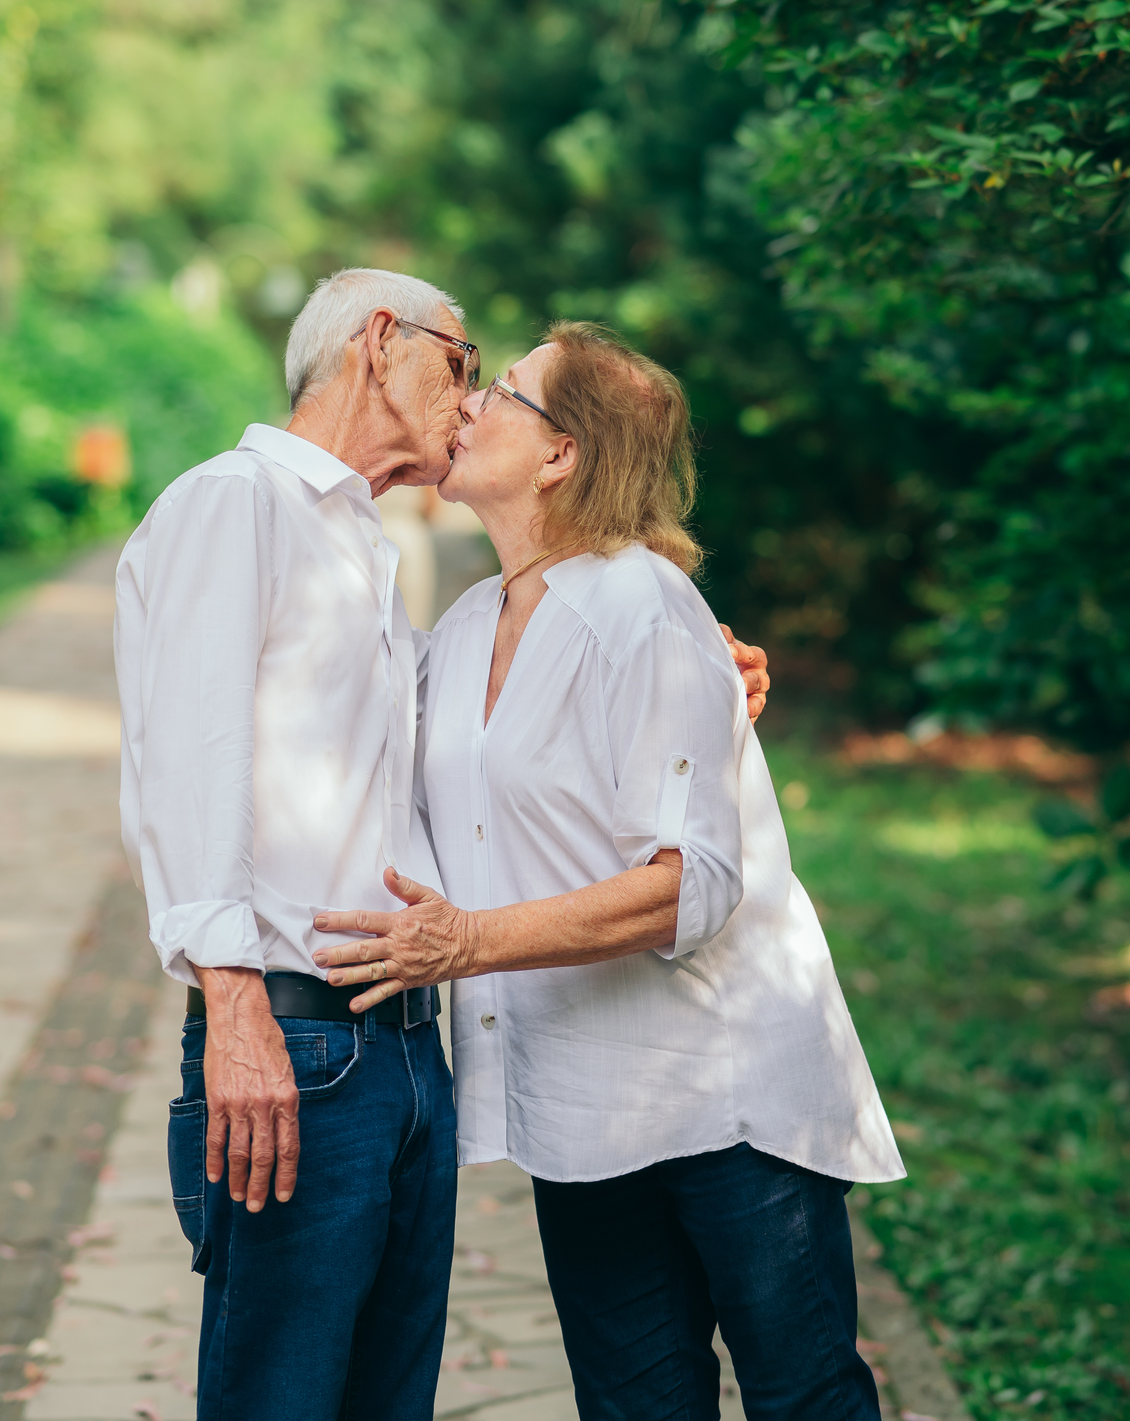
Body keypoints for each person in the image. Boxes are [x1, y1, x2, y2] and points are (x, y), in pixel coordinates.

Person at [116, 272, 768, 1421]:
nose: (469, 400)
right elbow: (189, 759)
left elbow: (472, 740)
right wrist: (235, 1007)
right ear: (380, 341)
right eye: (462, 364)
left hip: (410, 1052)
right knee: (282, 1394)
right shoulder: (239, 504)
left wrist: (696, 672)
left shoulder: (360, 545)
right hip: (298, 1040)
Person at [313, 321, 905, 1421]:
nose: (473, 402)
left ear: (561, 454)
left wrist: (471, 942)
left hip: (724, 1094)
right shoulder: (464, 627)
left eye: (509, 393)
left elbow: (694, 881)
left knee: (804, 1395)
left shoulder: (644, 605)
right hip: (579, 1106)